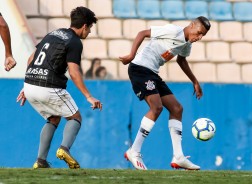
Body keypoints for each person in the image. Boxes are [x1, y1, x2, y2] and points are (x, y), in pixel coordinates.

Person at [119, 16, 211, 170]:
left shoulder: (187, 44)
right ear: (192, 25)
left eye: (203, 36)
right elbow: (143, 33)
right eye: (199, 32)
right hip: (139, 68)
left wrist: (195, 81)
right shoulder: (172, 30)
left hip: (152, 72)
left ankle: (178, 156)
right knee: (156, 107)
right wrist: (131, 55)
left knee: (177, 109)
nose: (200, 37)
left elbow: (181, 61)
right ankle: (133, 151)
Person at [16, 7, 102, 169]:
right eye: (90, 28)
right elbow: (74, 72)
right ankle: (64, 149)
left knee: (53, 118)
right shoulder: (74, 42)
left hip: (30, 84)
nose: (89, 32)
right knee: (75, 117)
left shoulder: (52, 34)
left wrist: (25, 86)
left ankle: (40, 161)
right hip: (49, 86)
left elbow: (31, 59)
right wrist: (88, 96)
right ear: (84, 26)